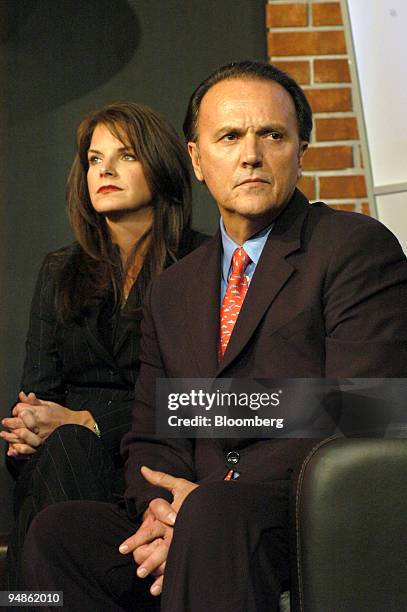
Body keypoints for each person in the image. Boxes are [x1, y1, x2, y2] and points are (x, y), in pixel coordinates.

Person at [20, 61, 407, 611]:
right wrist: (161, 510)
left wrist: (214, 481)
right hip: (194, 507)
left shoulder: (353, 247)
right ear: (198, 160)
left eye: (272, 135)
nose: (251, 154)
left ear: (302, 150)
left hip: (294, 504)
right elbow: (154, 426)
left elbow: (367, 408)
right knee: (60, 533)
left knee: (215, 514)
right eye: (229, 136)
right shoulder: (174, 286)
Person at [0, 101, 206, 595]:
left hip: (153, 466)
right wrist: (27, 429)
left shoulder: (200, 264)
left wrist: (83, 420)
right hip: (59, 464)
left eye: (125, 156)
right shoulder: (59, 271)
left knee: (67, 445)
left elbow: (191, 399)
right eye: (94, 159)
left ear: (161, 166)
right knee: (56, 454)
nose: (105, 170)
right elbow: (38, 398)